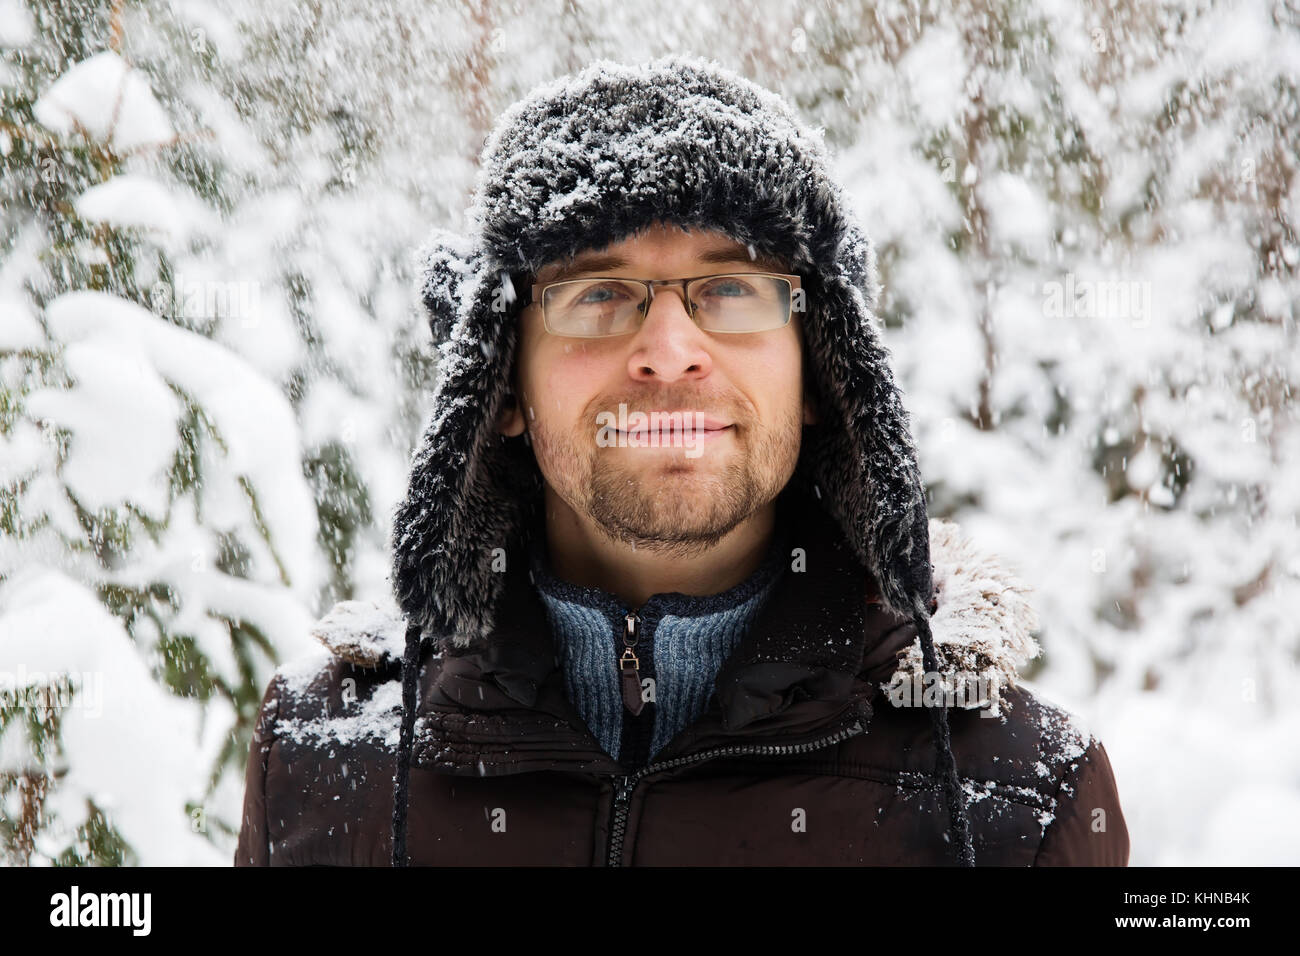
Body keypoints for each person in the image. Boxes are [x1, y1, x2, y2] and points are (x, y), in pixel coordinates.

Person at [235, 54, 1129, 867]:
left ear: (820, 367)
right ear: (502, 381)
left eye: (732, 288)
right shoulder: (321, 760)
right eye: (598, 293)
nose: (668, 349)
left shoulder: (1017, 796)